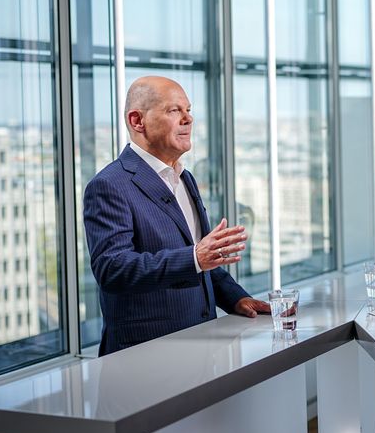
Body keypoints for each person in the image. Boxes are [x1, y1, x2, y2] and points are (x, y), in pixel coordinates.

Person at [84, 76, 269, 355]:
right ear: (137, 121)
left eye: (188, 110)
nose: (188, 119)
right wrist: (195, 257)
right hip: (144, 356)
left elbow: (199, 258)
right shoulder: (109, 185)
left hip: (201, 346)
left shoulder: (185, 178)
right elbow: (113, 269)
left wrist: (236, 298)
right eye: (174, 111)